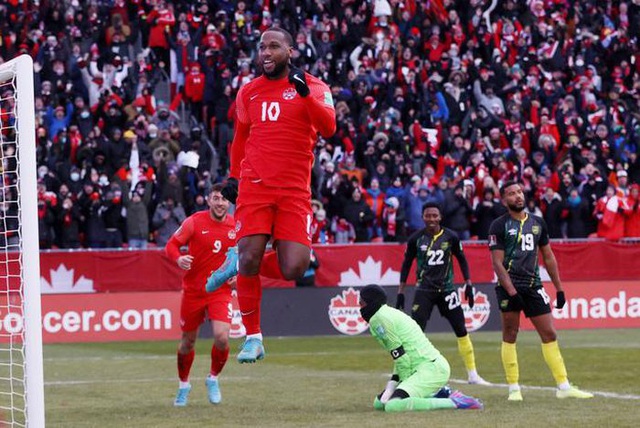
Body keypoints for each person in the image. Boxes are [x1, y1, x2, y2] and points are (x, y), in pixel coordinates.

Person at [207, 26, 336, 363]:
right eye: (262, 47)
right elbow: (240, 138)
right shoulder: (248, 92)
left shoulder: (315, 87)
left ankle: (239, 263)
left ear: (290, 51)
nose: (265, 53)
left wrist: (305, 94)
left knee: (295, 268)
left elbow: (329, 128)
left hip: (294, 191)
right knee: (250, 256)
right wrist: (234, 177)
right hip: (256, 186)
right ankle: (253, 337)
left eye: (274, 47)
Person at [488, 181, 594, 401]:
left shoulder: (538, 223)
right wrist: (512, 292)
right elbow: (497, 264)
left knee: (549, 333)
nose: (517, 196)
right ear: (504, 200)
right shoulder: (498, 225)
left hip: (534, 285)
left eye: (519, 192)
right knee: (510, 334)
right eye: (511, 194)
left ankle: (563, 386)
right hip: (509, 287)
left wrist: (560, 289)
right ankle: (514, 388)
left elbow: (548, 257)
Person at [395, 202, 490, 385]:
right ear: (423, 217)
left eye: (434, 216)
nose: (431, 219)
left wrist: (469, 284)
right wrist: (401, 292)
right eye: (428, 216)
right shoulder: (415, 239)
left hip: (447, 290)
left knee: (461, 330)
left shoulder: (451, 237)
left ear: (440, 217)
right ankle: (410, 372)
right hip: (424, 290)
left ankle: (473, 374)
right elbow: (406, 264)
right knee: (415, 333)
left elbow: (461, 259)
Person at [359, 284, 483, 413]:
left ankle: (455, 402)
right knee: (379, 404)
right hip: (423, 368)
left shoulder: (379, 319)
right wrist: (392, 384)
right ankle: (440, 394)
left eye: (361, 302)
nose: (359, 306)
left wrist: (399, 386)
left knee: (393, 405)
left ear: (371, 302)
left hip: (431, 369)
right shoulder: (384, 314)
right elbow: (400, 355)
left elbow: (401, 357)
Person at [164, 184, 235, 406]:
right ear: (208, 200)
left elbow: (246, 254)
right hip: (194, 290)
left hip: (220, 290)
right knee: (188, 341)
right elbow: (172, 245)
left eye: (224, 199)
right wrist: (178, 259)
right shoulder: (194, 222)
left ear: (229, 202)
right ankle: (183, 385)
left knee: (222, 337)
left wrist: (238, 274)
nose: (220, 203)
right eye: (216, 198)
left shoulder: (237, 226)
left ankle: (212, 378)